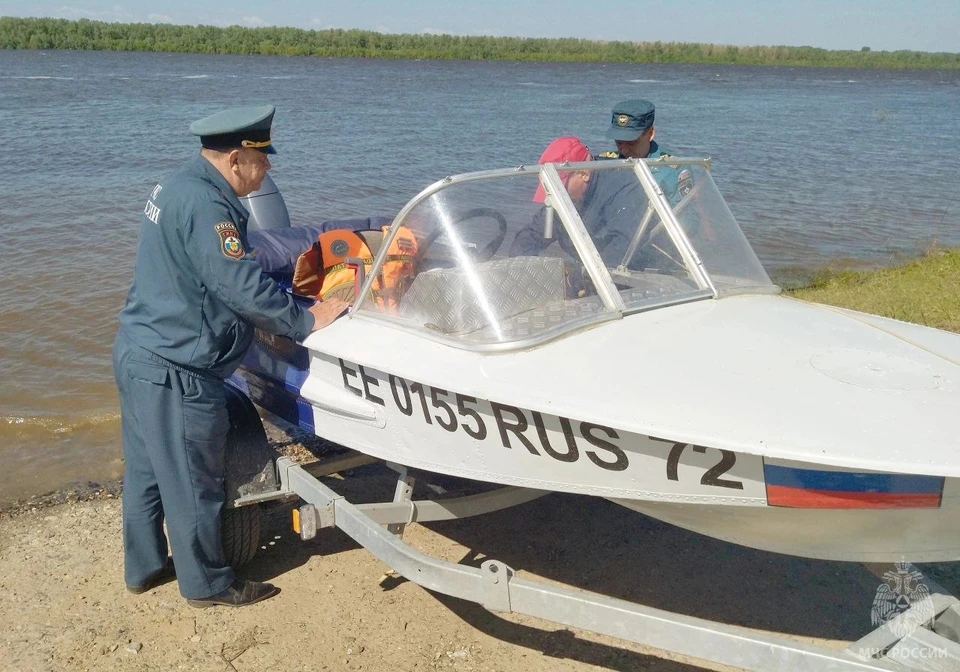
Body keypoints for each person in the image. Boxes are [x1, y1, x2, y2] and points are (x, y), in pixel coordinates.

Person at [113, 105, 348, 608]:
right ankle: (208, 584)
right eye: (263, 163)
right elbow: (241, 287)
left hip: (140, 349)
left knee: (149, 472)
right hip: (177, 369)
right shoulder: (208, 206)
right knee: (196, 481)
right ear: (239, 158)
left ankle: (145, 568)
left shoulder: (176, 184)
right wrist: (308, 320)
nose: (268, 173)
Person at [509, 136, 648, 272]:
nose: (554, 196)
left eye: (559, 187)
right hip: (590, 272)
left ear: (583, 174)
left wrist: (577, 280)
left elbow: (623, 247)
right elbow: (531, 235)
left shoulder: (624, 187)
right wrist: (527, 269)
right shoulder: (564, 199)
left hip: (635, 277)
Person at [598, 99, 693, 203]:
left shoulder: (673, 170)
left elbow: (685, 215)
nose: (624, 150)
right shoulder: (604, 164)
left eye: (631, 143)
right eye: (619, 142)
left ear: (650, 133)